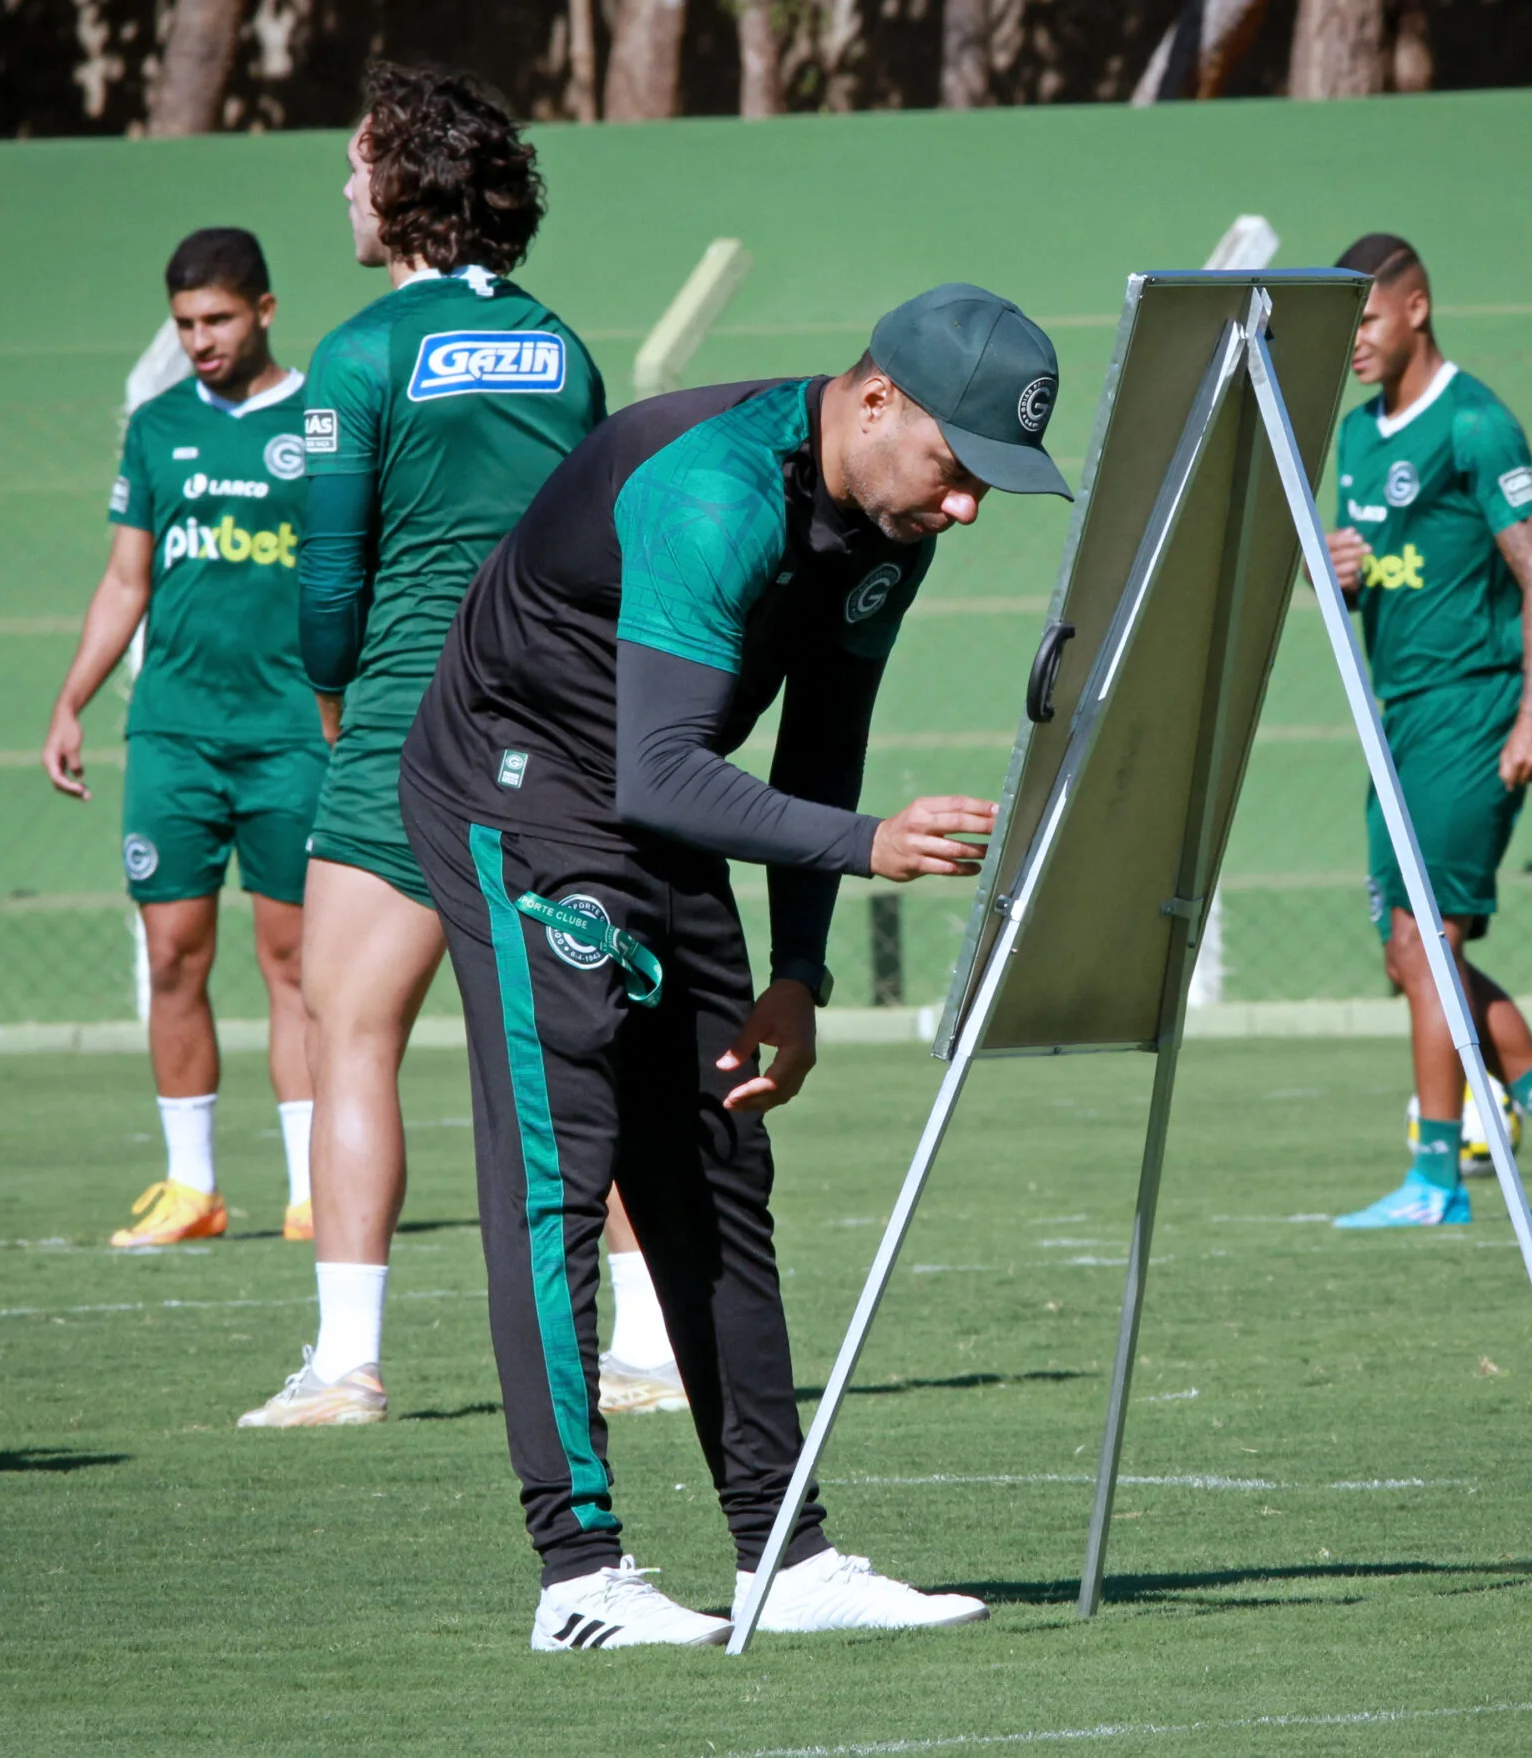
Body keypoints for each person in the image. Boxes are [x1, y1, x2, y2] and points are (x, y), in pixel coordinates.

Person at [396, 284, 1070, 1648]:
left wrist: (800, 970)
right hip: (521, 796)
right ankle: (578, 1575)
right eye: (958, 467)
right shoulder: (715, 494)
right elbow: (655, 774)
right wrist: (869, 846)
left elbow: (821, 738)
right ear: (877, 401)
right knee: (562, 1170)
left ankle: (785, 1551)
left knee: (716, 1159)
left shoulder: (890, 517)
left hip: (665, 801)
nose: (967, 510)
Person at [237, 65, 678, 1428]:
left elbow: (327, 587)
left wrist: (331, 697)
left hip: (405, 729)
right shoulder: (562, 346)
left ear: (408, 182)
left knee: (346, 1026)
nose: (346, 191)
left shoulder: (360, 357)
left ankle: (348, 1362)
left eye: (359, 166)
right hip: (560, 728)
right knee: (577, 1037)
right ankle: (653, 1351)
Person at [1320, 233, 1532, 1231]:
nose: (1354, 344)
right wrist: (1334, 571)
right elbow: (1364, 566)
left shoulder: (1474, 422)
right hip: (1398, 718)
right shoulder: (1353, 436)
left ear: (1415, 309)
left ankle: (1435, 1180)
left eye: (1365, 320)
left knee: (1428, 936)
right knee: (1412, 958)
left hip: (1474, 707)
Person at [43, 227, 322, 1250]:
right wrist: (72, 699)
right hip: (174, 736)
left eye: (217, 319)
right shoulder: (157, 429)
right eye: (185, 325)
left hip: (291, 736)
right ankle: (191, 1188)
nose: (201, 341)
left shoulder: (320, 422)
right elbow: (128, 580)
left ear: (264, 310)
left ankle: (311, 1188)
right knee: (171, 958)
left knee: (292, 959)